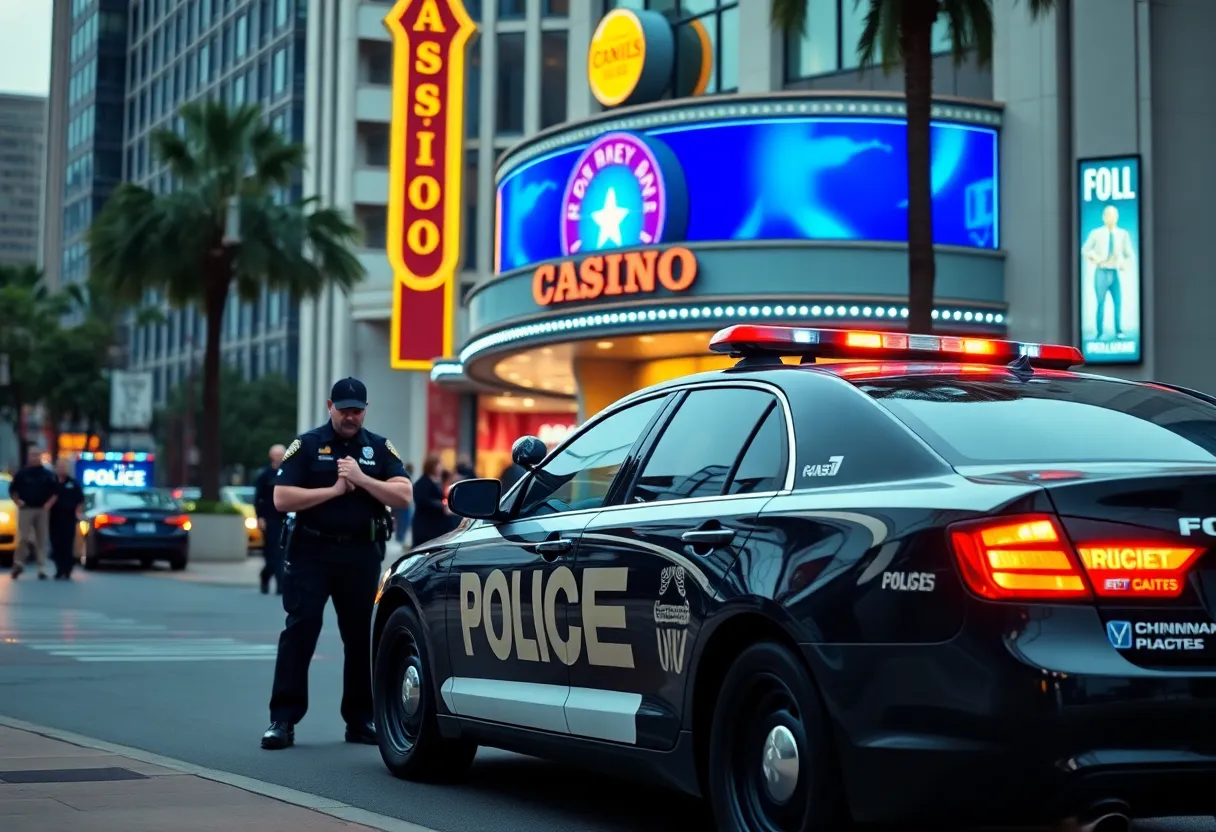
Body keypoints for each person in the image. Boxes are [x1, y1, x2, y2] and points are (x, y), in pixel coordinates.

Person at [261, 377, 413, 750]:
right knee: (301, 630)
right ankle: (283, 719)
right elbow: (281, 498)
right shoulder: (308, 445)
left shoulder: (378, 448)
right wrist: (331, 491)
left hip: (361, 554)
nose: (350, 416)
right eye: (343, 409)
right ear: (329, 406)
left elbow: (404, 494)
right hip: (312, 552)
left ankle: (360, 719)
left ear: (366, 409)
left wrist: (362, 479)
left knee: (361, 637)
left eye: (356, 410)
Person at [1081, 204, 1135, 340]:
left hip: (1114, 271)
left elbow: (1129, 254)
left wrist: (1123, 263)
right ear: (1104, 217)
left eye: (1114, 215)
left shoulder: (1123, 234)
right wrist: (1096, 258)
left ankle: (1119, 331)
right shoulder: (1096, 233)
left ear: (1117, 217)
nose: (1112, 218)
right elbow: (1085, 249)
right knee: (1100, 302)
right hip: (1101, 272)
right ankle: (1099, 332)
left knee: (1118, 301)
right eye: (1109, 215)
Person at [9, 448, 57, 580]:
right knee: (23, 538)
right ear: (28, 457)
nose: (34, 457)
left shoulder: (47, 474)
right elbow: (13, 490)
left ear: (40, 457)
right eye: (32, 455)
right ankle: (18, 563)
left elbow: (55, 492)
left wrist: (49, 504)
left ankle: (41, 568)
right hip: (26, 509)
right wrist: (17, 501)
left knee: (41, 539)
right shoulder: (22, 474)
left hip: (42, 509)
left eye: (36, 455)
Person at [253, 444, 287, 595]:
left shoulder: (288, 472)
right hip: (270, 518)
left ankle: (281, 586)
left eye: (281, 454)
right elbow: (258, 498)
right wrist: (259, 517)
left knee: (282, 552)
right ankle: (265, 576)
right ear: (271, 456)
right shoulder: (265, 475)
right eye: (276, 454)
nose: (279, 457)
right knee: (272, 554)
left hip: (285, 517)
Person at [48, 459, 84, 580]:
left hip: (69, 518)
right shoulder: (51, 482)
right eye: (60, 466)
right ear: (56, 468)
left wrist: (77, 512)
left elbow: (80, 499)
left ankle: (67, 569)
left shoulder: (73, 483)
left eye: (64, 467)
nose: (62, 469)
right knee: (56, 544)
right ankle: (59, 569)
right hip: (54, 518)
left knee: (67, 544)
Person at [410, 454, 452, 547]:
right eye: (439, 464)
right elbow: (423, 500)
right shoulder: (422, 483)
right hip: (425, 526)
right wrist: (441, 506)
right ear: (432, 466)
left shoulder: (438, 482)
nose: (441, 467)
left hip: (435, 525)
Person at [394, 462, 415, 547]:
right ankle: (400, 540)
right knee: (403, 523)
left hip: (403, 504)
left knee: (403, 523)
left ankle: (400, 540)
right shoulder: (405, 477)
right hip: (403, 504)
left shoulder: (405, 477)